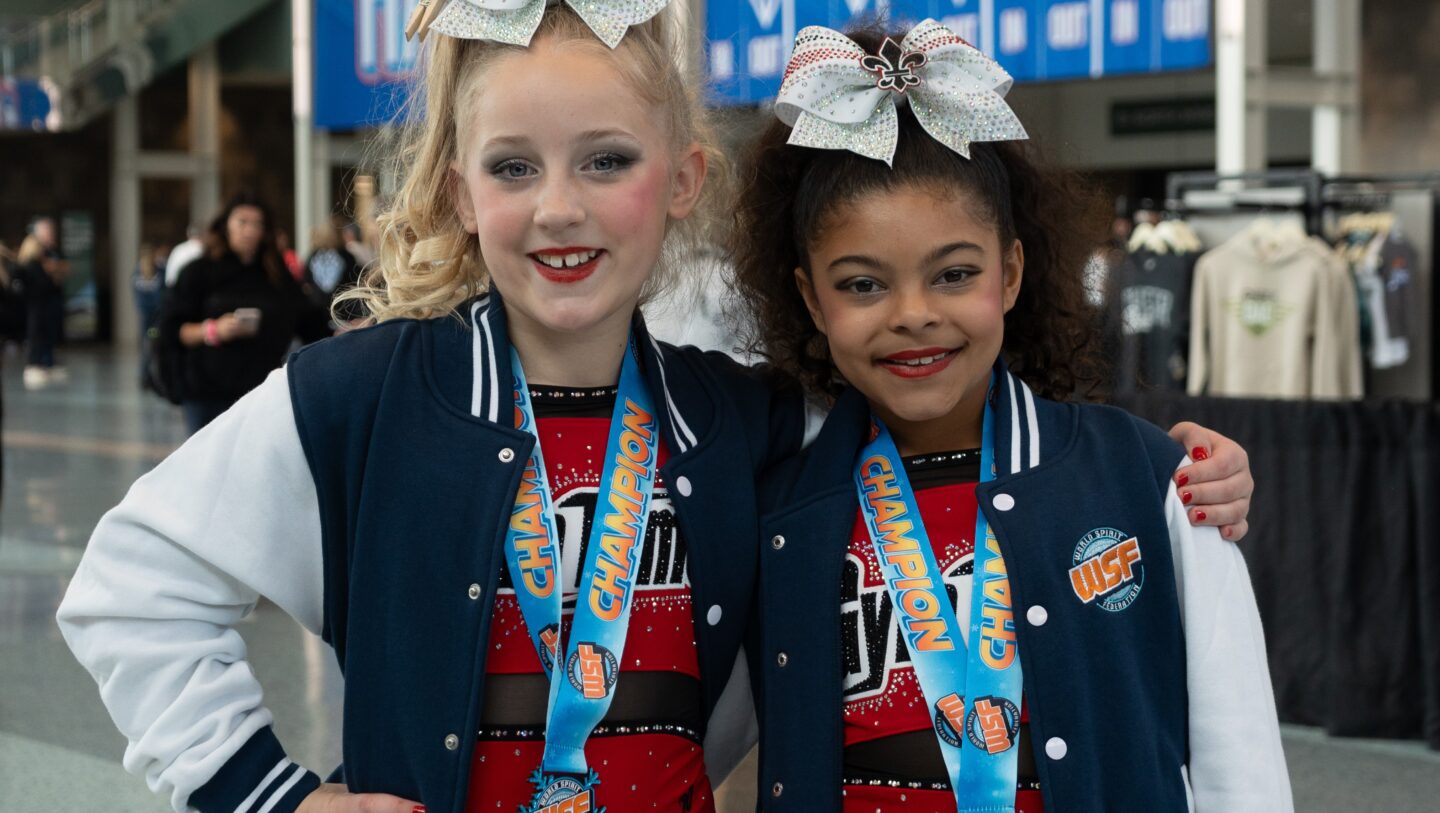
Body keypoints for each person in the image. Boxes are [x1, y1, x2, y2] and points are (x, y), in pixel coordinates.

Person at [57, 6, 1254, 813]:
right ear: (458, 191)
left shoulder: (746, 420)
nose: (560, 207)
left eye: (607, 161)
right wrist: (274, 796)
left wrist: (1172, 475)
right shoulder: (368, 400)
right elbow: (129, 587)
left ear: (682, 180)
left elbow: (939, 415)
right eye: (513, 167)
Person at [733, 22, 1288, 812]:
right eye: (862, 285)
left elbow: (1242, 764)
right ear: (811, 299)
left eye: (954, 274)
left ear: (1013, 272)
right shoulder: (783, 513)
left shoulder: (1146, 481)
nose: (913, 314)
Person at [158, 193, 330, 434]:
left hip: (260, 392)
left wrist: (343, 331)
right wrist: (214, 330)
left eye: (257, 224)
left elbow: (309, 321)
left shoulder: (275, 274)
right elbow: (173, 330)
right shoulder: (198, 271)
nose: (249, 230)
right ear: (226, 225)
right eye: (242, 222)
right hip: (207, 392)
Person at [18, 216, 68, 390]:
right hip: (36, 304)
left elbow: (63, 269)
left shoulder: (51, 254)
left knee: (48, 333)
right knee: (36, 334)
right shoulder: (31, 264)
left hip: (49, 303)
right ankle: (34, 365)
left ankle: (47, 363)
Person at [300, 219, 363, 326]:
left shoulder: (313, 255)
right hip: (341, 311)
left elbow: (306, 282)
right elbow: (355, 281)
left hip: (317, 311)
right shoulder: (346, 256)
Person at [134, 243, 166, 387]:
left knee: (153, 345)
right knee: (147, 346)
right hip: (147, 319)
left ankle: (152, 375)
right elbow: (139, 299)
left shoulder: (160, 272)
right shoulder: (137, 274)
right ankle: (145, 376)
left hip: (156, 318)